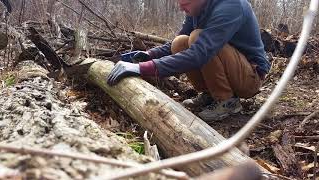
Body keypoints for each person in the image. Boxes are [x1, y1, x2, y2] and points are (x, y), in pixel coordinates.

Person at [107, 0, 271, 122]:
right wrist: (149, 54)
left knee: (197, 37)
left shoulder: (231, 5)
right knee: (181, 42)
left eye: (185, 2)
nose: (180, 7)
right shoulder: (198, 9)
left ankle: (228, 101)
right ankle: (210, 94)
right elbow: (175, 44)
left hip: (250, 77)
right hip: (232, 69)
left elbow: (200, 53)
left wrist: (141, 69)